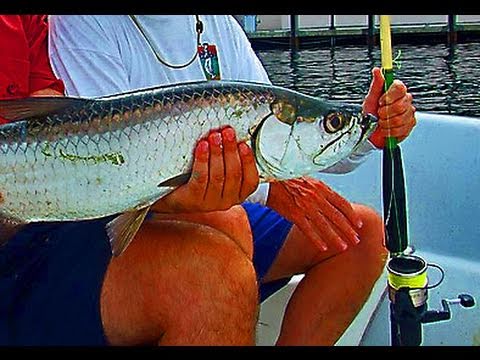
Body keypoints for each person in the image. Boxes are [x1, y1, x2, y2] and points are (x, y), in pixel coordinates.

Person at [0, 15, 416, 346]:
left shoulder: (219, 25)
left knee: (362, 236)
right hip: (126, 212)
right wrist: (269, 189)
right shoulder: (83, 23)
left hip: (192, 199)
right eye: (333, 125)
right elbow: (103, 170)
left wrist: (366, 134)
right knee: (227, 223)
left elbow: (288, 146)